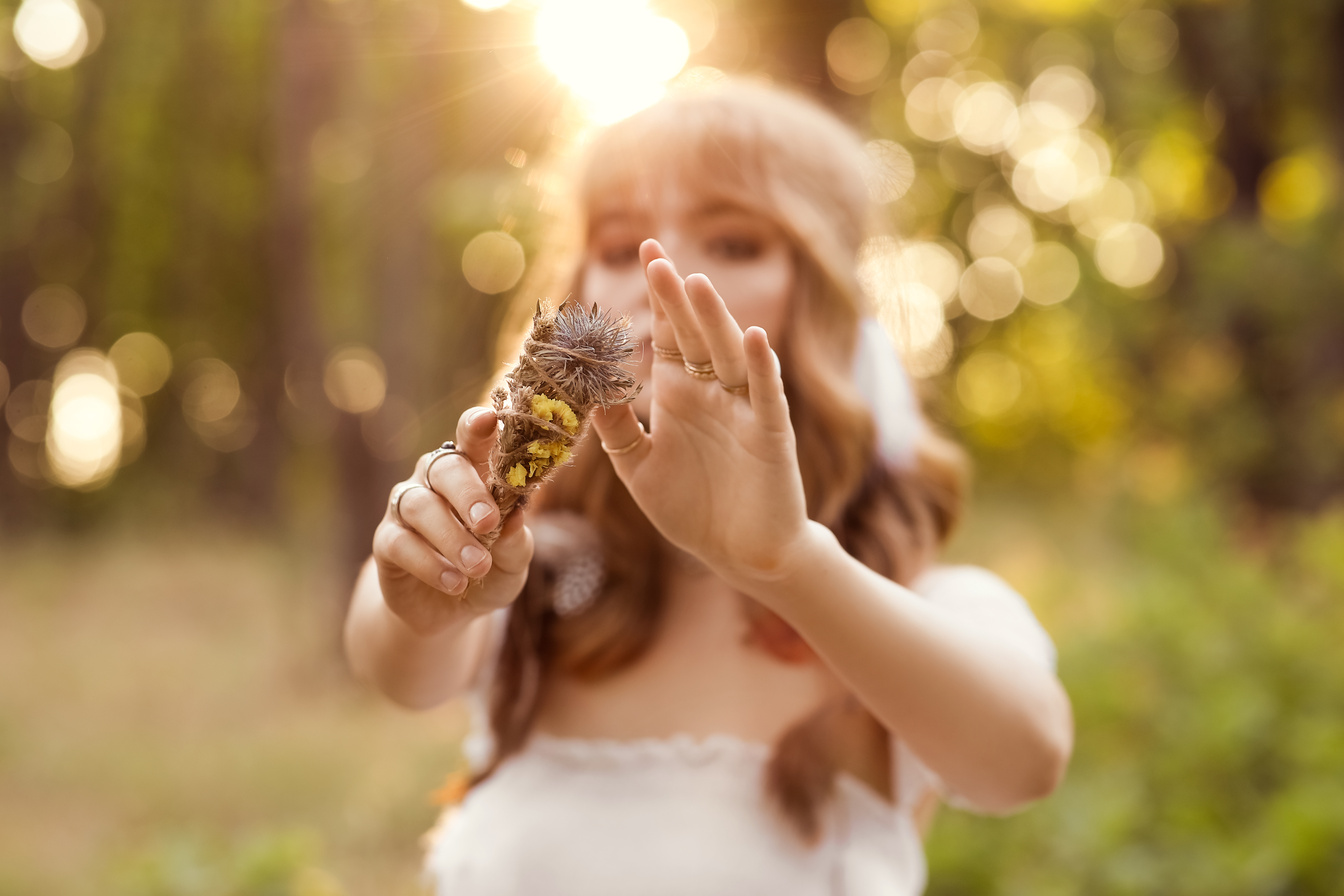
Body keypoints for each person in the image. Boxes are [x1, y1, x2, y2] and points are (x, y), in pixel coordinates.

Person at [343, 80, 1073, 895]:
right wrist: (426, 589)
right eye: (622, 249)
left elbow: (1024, 761)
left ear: (828, 299)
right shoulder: (532, 580)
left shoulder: (917, 604)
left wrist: (789, 564)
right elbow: (396, 664)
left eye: (733, 243)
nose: (666, 277)